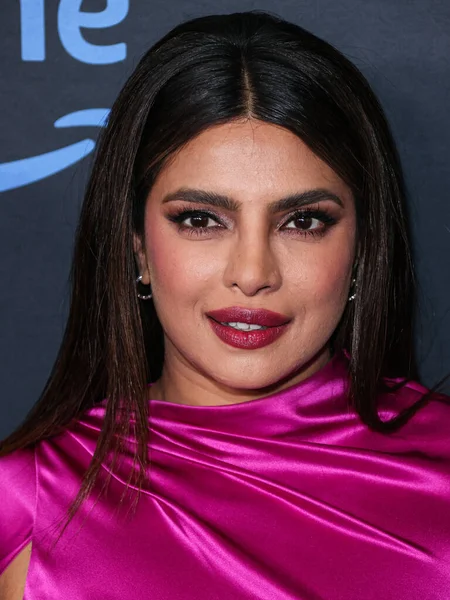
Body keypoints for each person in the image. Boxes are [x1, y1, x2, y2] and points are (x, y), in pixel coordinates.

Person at [1, 10, 449, 600]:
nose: (252, 273)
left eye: (304, 221)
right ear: (137, 245)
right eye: (201, 220)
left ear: (363, 246)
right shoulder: (29, 499)